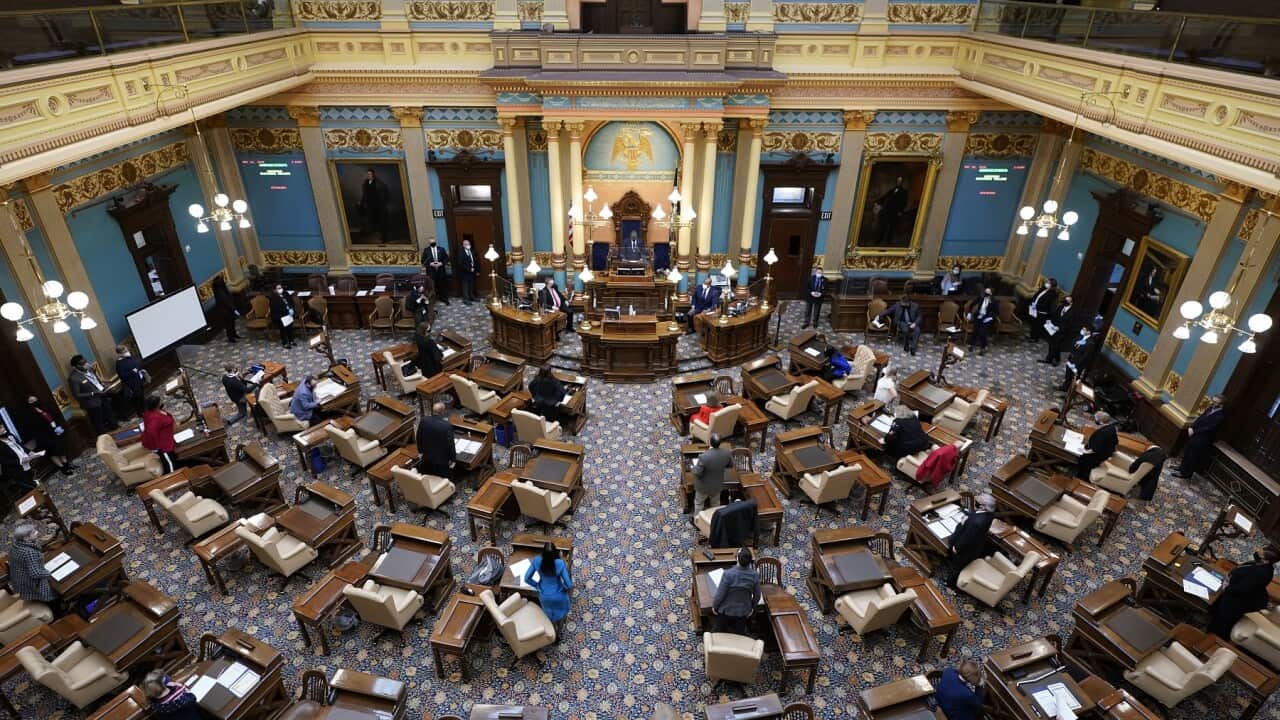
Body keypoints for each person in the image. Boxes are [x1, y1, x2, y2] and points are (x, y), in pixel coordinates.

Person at [1208, 547, 1279, 639]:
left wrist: (1226, 588)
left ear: (1266, 560)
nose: (1257, 551)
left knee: (1222, 620)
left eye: (1260, 553)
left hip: (1238, 600)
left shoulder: (1261, 574)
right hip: (1237, 588)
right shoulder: (1260, 564)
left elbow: (1241, 589)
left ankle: (1213, 636)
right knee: (1217, 608)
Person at [947, 493, 997, 589]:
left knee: (956, 567)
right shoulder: (989, 515)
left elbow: (966, 538)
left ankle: (951, 585)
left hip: (965, 550)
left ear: (983, 506)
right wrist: (969, 516)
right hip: (976, 547)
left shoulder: (975, 523)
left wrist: (956, 547)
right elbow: (976, 515)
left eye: (977, 502)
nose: (975, 502)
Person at [17, 395, 73, 476]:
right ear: (28, 403)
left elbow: (54, 417)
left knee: (61, 449)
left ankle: (66, 465)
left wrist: (58, 427)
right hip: (44, 437)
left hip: (55, 432)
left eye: (35, 399)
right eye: (31, 401)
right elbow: (33, 427)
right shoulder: (29, 414)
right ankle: (63, 468)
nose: (34, 402)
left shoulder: (45, 407)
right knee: (53, 452)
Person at [711, 547, 761, 636]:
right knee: (739, 634)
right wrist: (751, 608)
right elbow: (757, 596)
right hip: (743, 612)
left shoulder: (728, 574)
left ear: (737, 558)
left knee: (718, 631)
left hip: (726, 611)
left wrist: (714, 606)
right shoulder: (755, 575)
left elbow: (720, 595)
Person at [524, 542, 573, 631]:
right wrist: (564, 589)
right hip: (558, 594)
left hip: (544, 594)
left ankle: (551, 627)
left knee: (549, 612)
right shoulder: (560, 563)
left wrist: (537, 585)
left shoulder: (536, 560)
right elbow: (569, 585)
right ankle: (558, 627)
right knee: (560, 612)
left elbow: (527, 578)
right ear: (555, 552)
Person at [1174, 395, 1225, 479]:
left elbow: (1209, 428)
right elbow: (1200, 418)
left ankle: (1186, 474)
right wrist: (1191, 427)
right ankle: (1181, 468)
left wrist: (1195, 431)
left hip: (1203, 438)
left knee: (1193, 456)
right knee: (1187, 451)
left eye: (1215, 402)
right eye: (1213, 401)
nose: (1213, 403)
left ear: (1221, 404)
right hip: (1194, 434)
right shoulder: (1209, 409)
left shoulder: (1220, 416)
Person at [9, 523, 56, 608]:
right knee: (56, 586)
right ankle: (54, 604)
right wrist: (51, 572)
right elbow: (35, 574)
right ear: (26, 538)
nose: (37, 532)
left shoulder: (16, 545)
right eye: (33, 532)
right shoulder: (29, 552)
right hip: (32, 584)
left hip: (21, 581)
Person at [69, 354, 115, 435]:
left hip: (102, 395)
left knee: (109, 414)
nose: (85, 364)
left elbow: (95, 381)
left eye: (85, 362)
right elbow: (77, 395)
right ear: (75, 366)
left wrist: (102, 385)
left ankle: (115, 429)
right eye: (82, 364)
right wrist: (93, 393)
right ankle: (105, 437)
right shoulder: (73, 378)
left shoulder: (90, 369)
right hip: (92, 402)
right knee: (99, 422)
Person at [692, 433, 731, 514]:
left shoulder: (704, 456)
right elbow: (730, 465)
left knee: (699, 504)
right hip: (717, 485)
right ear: (720, 443)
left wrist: (693, 468)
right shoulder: (726, 453)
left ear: (710, 442)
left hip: (703, 487)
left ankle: (697, 521)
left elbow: (698, 473)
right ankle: (714, 521)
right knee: (716, 504)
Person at [416, 402, 455, 477]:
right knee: (446, 476)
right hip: (441, 461)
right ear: (443, 412)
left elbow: (419, 437)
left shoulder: (424, 420)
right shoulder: (446, 426)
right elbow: (450, 445)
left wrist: (420, 451)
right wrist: (453, 459)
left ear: (432, 411)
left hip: (427, 457)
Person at [0, 423, 38, 498]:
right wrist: (20, 461)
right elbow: (4, 461)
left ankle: (40, 499)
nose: (3, 429)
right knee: (29, 487)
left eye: (3, 427)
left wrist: (29, 452)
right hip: (16, 469)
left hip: (25, 463)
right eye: (0, 429)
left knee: (32, 480)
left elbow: (20, 446)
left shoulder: (10, 435)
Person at [141, 395, 177, 474]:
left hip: (168, 440)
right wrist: (156, 447)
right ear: (157, 404)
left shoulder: (154, 412)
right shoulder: (155, 418)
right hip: (164, 447)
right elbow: (151, 432)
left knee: (173, 460)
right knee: (170, 466)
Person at [1076, 411, 1118, 479]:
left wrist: (1085, 451)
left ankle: (1082, 478)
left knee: (1084, 462)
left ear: (1101, 422)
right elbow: (1115, 442)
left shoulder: (1102, 433)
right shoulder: (1112, 428)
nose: (1094, 420)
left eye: (1096, 419)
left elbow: (1095, 449)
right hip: (1106, 453)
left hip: (1096, 456)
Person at [873, 176, 910, 246]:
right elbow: (885, 196)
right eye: (898, 181)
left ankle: (888, 242)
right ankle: (879, 240)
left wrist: (900, 211)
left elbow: (904, 202)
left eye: (900, 181)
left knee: (891, 227)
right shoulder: (893, 190)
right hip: (888, 210)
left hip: (895, 211)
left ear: (902, 182)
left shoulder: (904, 192)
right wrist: (878, 201)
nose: (899, 182)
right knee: (883, 225)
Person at [1060, 326, 1098, 392]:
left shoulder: (1090, 343)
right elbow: (1073, 342)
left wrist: (1076, 364)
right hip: (1072, 358)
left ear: (1089, 332)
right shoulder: (1080, 336)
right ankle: (1064, 387)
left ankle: (1069, 393)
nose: (1082, 330)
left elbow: (1085, 356)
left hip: (1078, 363)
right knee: (1068, 374)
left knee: (1074, 378)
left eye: (1084, 330)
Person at [1041, 294, 1075, 366]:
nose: (1065, 301)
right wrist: (1050, 321)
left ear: (1071, 302)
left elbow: (1070, 325)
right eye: (1065, 300)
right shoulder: (1061, 307)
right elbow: (1055, 316)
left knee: (1056, 346)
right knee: (1051, 344)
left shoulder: (1072, 312)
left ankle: (1055, 359)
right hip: (1053, 329)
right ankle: (1050, 359)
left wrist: (1059, 328)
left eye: (1067, 301)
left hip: (1062, 332)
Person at [116, 344, 148, 419]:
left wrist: (137, 368)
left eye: (127, 350)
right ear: (120, 354)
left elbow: (137, 362)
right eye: (125, 351)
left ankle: (145, 410)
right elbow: (123, 375)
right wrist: (133, 371)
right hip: (132, 384)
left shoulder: (129, 357)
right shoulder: (119, 364)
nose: (127, 352)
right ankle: (140, 413)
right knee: (137, 399)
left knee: (142, 396)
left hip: (139, 380)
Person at [358, 168, 389, 242]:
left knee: (381, 221)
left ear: (373, 175)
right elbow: (364, 194)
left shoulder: (378, 183)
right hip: (369, 205)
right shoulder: (365, 182)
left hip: (378, 205)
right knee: (365, 215)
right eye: (368, 174)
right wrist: (361, 202)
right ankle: (367, 231)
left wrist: (382, 202)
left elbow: (385, 194)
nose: (369, 175)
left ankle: (383, 237)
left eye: (370, 174)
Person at [967, 287, 997, 355]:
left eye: (988, 294)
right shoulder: (980, 298)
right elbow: (972, 304)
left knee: (982, 333)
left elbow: (996, 312)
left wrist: (990, 318)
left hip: (987, 318)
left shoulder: (994, 301)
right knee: (975, 331)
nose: (986, 295)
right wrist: (969, 312)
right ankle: (972, 345)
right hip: (979, 316)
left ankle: (983, 348)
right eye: (985, 293)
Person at [211, 275, 240, 344]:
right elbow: (227, 302)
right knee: (229, 325)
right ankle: (231, 338)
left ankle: (234, 335)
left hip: (228, 311)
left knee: (232, 323)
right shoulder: (220, 292)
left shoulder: (219, 290)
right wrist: (234, 310)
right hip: (226, 311)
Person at [421, 238, 450, 304]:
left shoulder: (441, 249)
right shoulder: (426, 250)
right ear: (429, 243)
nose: (433, 243)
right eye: (431, 242)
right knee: (432, 286)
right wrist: (430, 264)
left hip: (440, 271)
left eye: (433, 242)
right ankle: (433, 300)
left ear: (435, 242)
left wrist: (441, 263)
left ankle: (444, 299)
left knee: (442, 285)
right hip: (431, 271)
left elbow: (446, 258)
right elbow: (423, 260)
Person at [268, 284, 296, 348]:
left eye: (281, 287)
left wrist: (292, 309)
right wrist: (287, 311)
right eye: (278, 288)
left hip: (289, 315)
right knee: (283, 330)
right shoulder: (273, 298)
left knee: (290, 328)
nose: (280, 289)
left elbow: (291, 302)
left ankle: (291, 340)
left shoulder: (286, 293)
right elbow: (276, 308)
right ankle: (285, 343)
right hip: (280, 316)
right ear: (274, 290)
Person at [455, 238, 478, 304]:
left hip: (472, 272)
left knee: (471, 285)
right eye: (466, 244)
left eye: (468, 244)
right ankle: (466, 299)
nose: (468, 245)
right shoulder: (460, 252)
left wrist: (475, 269)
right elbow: (460, 264)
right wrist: (469, 269)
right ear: (463, 245)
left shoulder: (472, 251)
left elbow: (475, 261)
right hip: (464, 273)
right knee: (465, 286)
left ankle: (472, 297)